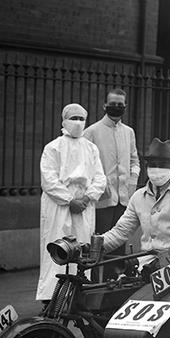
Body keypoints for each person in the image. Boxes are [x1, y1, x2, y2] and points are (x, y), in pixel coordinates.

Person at [37, 103, 107, 301]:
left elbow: (100, 178)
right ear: (64, 121)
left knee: (82, 246)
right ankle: (51, 295)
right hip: (59, 205)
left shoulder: (91, 148)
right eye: (73, 118)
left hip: (84, 205)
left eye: (81, 119)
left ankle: (78, 292)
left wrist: (86, 198)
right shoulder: (53, 147)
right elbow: (48, 180)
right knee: (56, 246)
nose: (77, 123)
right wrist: (69, 200)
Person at [101, 138, 170, 264]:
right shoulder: (138, 197)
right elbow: (121, 231)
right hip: (145, 262)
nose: (157, 169)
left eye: (162, 165)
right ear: (146, 168)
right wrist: (94, 246)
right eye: (153, 165)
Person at [83, 88, 140, 278]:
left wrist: (132, 184)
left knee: (119, 245)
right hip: (102, 198)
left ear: (125, 106)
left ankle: (114, 283)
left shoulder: (129, 132)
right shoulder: (91, 131)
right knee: (98, 245)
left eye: (120, 105)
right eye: (113, 104)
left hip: (123, 197)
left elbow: (134, 161)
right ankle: (92, 285)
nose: (116, 108)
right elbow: (85, 165)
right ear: (104, 106)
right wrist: (99, 187)